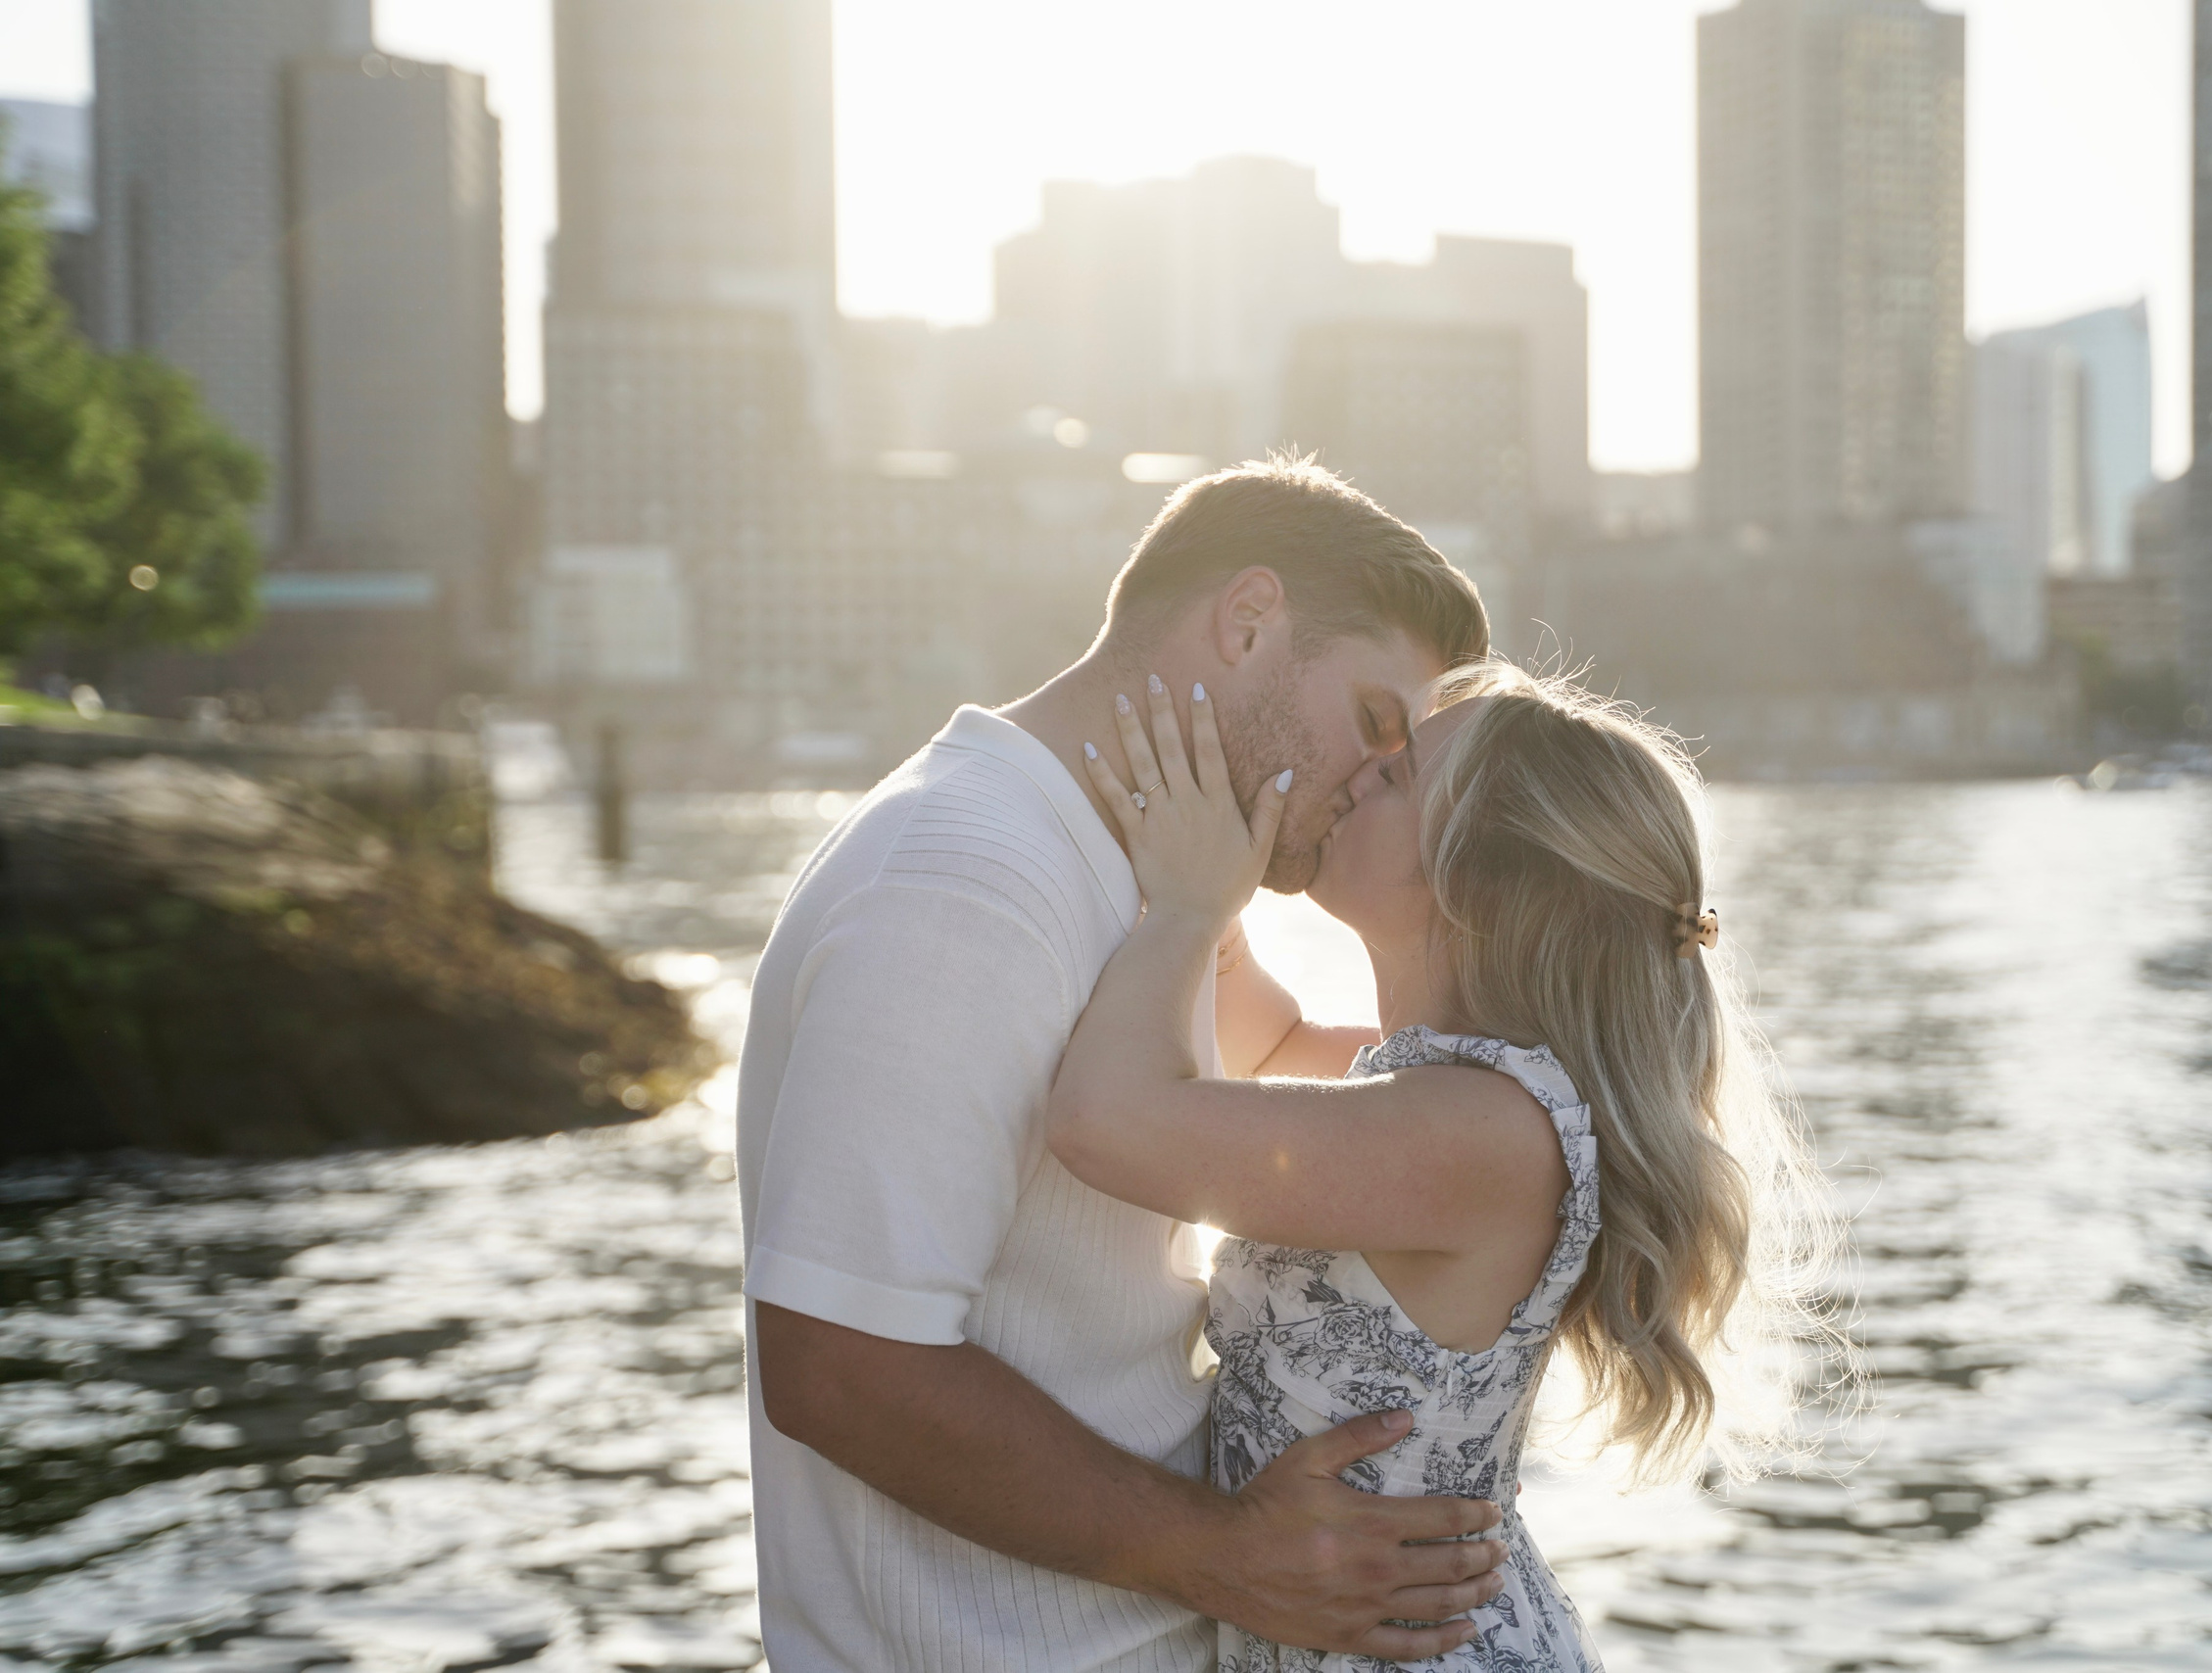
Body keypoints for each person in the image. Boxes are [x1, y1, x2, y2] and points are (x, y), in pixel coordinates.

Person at [737, 458, 1509, 1670]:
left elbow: (1308, 1084)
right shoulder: (966, 885)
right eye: (1373, 721)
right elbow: (837, 1361)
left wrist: (1571, 1070)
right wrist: (1227, 1554)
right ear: (1249, 622)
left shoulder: (1152, 879)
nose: (1377, 778)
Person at [1046, 662, 1829, 1670]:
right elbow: (1270, 1041)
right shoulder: (1438, 1097)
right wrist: (1206, 844)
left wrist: (1187, 914)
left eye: (1398, 776)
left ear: (1477, 880)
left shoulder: (1479, 1133)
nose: (1359, 773)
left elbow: (1103, 1121)